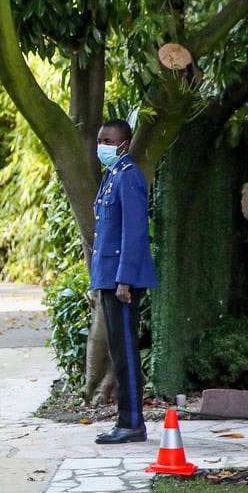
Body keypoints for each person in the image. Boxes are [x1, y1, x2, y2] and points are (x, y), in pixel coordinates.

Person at [90, 119, 158, 445]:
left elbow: (134, 232)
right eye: (100, 138)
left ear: (124, 144)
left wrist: (125, 279)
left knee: (126, 352)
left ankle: (132, 422)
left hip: (121, 280)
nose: (101, 145)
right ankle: (127, 420)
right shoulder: (112, 176)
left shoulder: (129, 177)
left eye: (108, 140)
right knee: (119, 352)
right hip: (108, 277)